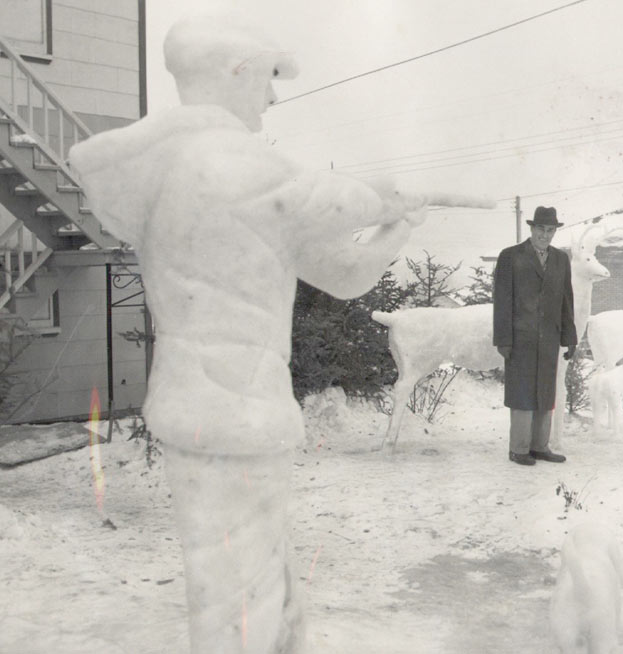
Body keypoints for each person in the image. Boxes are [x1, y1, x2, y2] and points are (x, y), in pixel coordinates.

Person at [70, 14, 425, 654]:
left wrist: (398, 227)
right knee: (237, 599)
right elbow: (336, 198)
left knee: (253, 583)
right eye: (266, 78)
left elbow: (341, 272)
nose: (272, 97)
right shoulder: (224, 162)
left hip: (216, 409)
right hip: (232, 414)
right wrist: (388, 199)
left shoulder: (183, 170)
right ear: (235, 72)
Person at [493, 206, 578, 465]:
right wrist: (503, 339)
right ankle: (519, 449)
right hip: (521, 338)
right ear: (532, 229)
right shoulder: (510, 256)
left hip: (549, 338)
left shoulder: (561, 259)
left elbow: (566, 299)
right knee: (522, 392)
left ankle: (540, 447)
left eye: (550, 230)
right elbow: (502, 300)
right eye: (541, 229)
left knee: (545, 391)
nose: (545, 235)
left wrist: (569, 336)